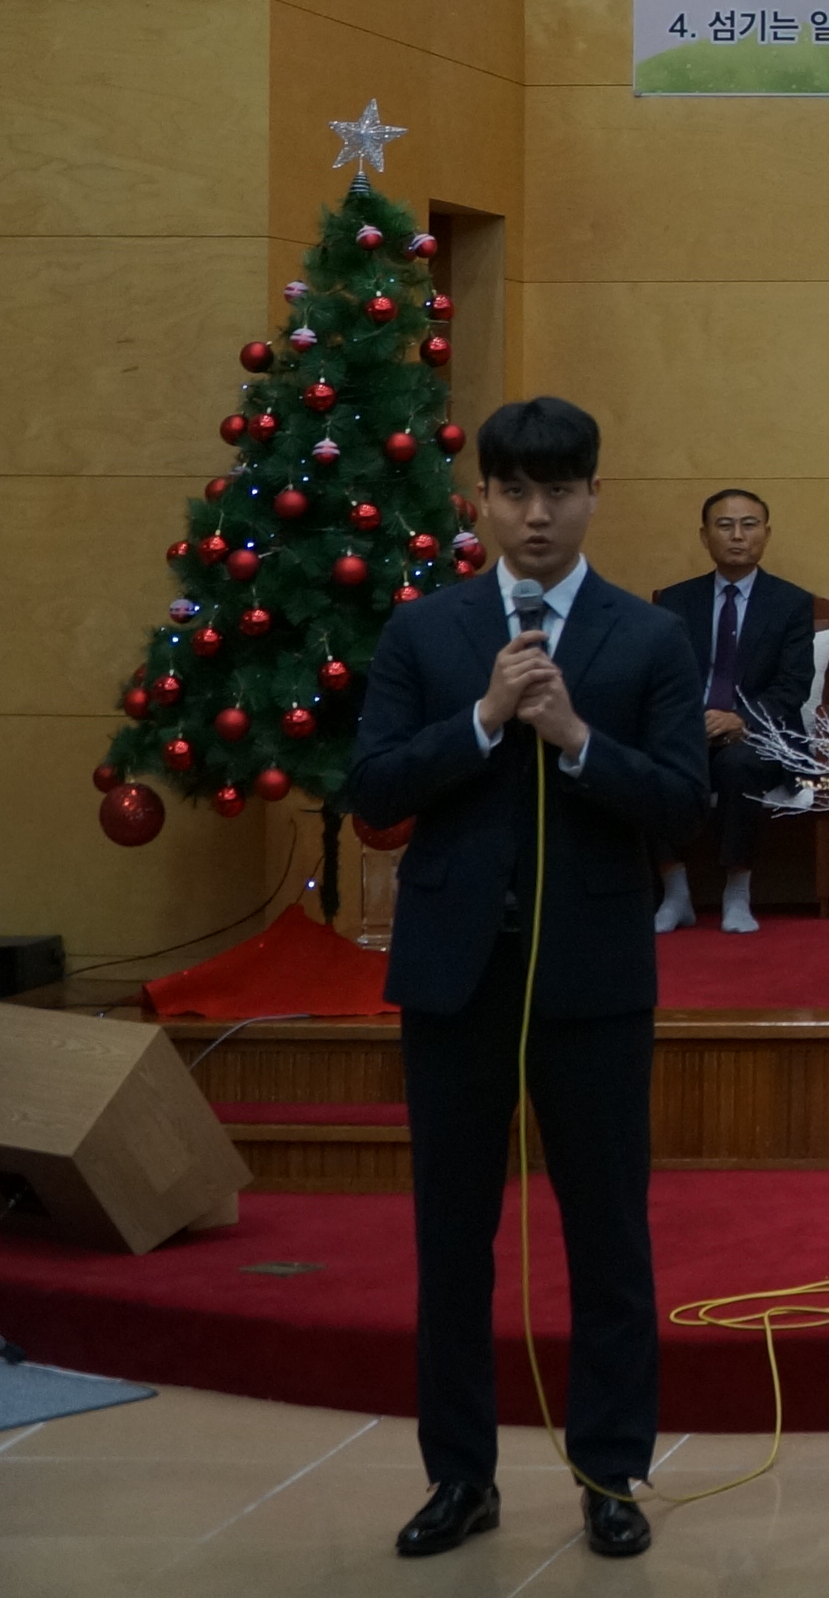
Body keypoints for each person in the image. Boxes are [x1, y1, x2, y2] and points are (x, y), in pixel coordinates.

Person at [347, 396, 707, 1562]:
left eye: (559, 491)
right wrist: (486, 716)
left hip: (591, 977)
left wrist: (578, 741)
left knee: (608, 1235)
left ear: (594, 494)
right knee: (452, 1238)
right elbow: (374, 788)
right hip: (456, 977)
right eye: (515, 492)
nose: (537, 513)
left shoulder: (647, 637)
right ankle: (460, 1475)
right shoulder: (427, 631)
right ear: (483, 501)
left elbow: (684, 805)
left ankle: (610, 1471)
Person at [650, 486, 815, 935]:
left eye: (748, 525)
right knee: (654, 760)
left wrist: (741, 719)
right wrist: (689, 723)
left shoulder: (791, 603)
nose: (737, 535)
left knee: (738, 763)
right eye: (725, 525)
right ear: (705, 536)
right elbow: (662, 679)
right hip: (691, 729)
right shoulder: (675, 601)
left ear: (766, 533)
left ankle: (737, 891)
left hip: (762, 734)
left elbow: (793, 687)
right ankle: (675, 892)